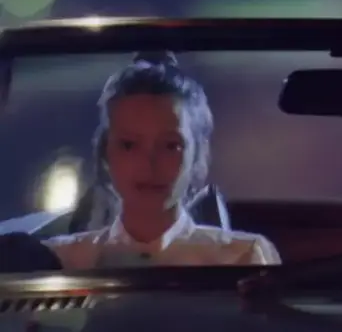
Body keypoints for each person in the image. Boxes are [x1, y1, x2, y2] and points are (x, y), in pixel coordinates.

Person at [43, 52, 282, 269]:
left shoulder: (243, 258)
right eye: (129, 145)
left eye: (170, 146)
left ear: (197, 154)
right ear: (106, 154)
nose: (149, 164)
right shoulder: (61, 259)